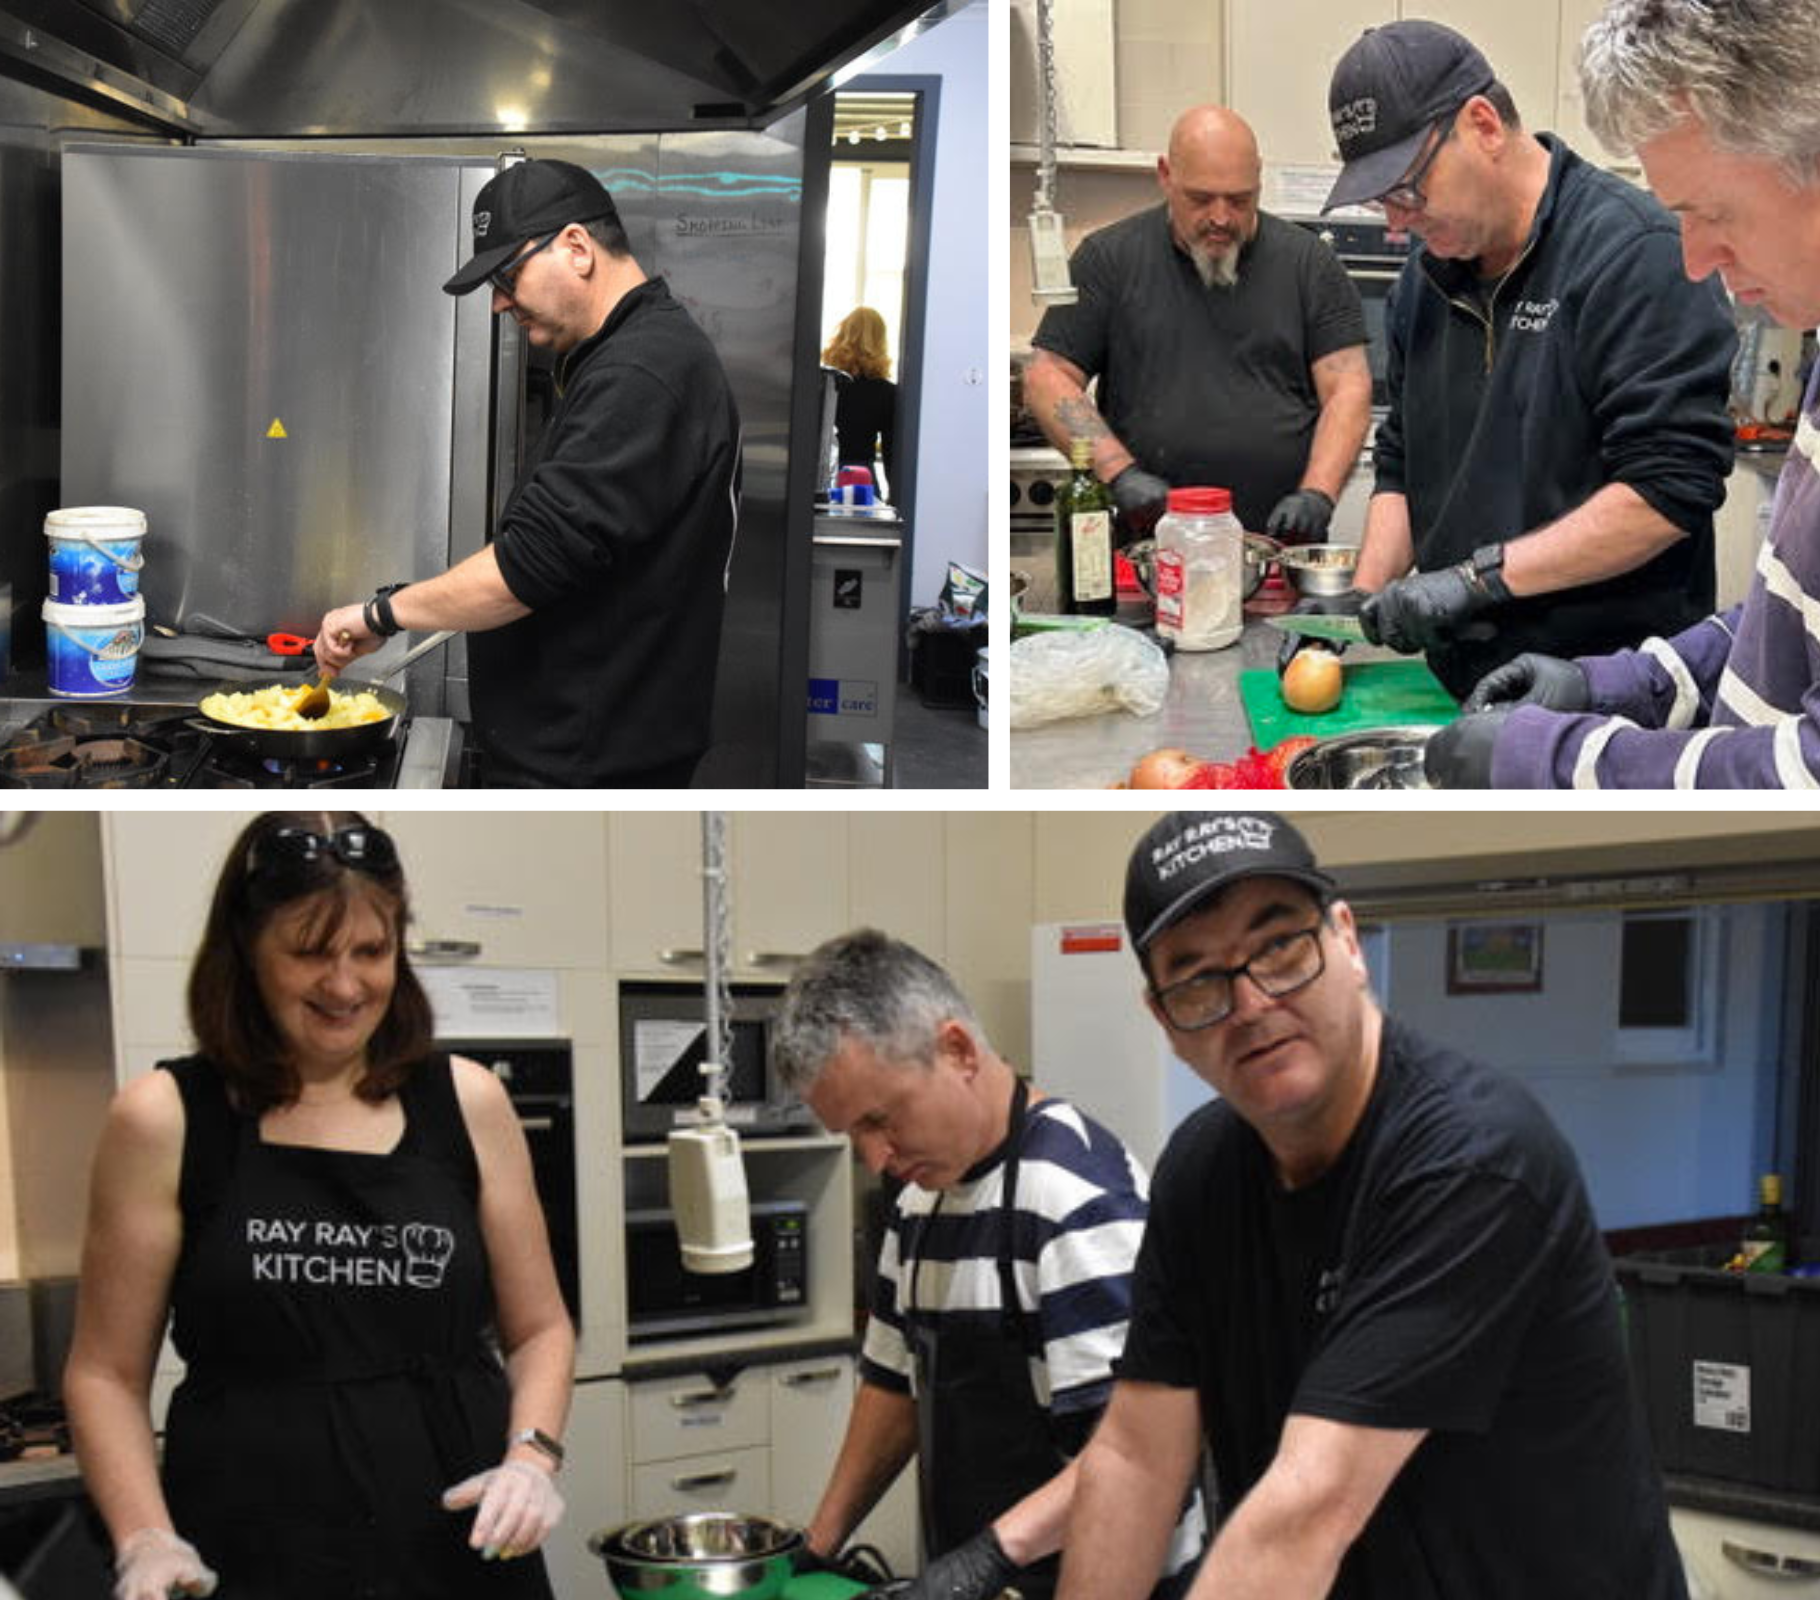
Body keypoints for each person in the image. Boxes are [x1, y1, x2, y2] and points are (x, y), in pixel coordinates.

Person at [1054, 811, 1687, 1600]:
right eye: (1198, 980)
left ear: (1347, 942)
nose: (1249, 1002)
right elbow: (1136, 1458)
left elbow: (1307, 1510)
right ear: (1165, 1022)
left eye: (1279, 947)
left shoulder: (1472, 1161)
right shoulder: (1201, 1172)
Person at [1424, 0, 1820, 787]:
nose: (1695, 261)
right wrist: (1626, 684)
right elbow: (1800, 621)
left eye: (1714, 213)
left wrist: (1555, 760)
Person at [65, 812, 575, 1600]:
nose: (345, 986)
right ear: (246, 948)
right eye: (309, 953)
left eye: (371, 951)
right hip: (251, 1551)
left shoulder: (468, 1102)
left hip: (458, 1550)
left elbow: (541, 1329)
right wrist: (144, 1537)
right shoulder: (164, 1117)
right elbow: (105, 1372)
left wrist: (532, 1459)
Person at [772, 931, 1203, 1600]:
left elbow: (1137, 1460)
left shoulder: (1076, 1198)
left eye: (881, 1119)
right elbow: (892, 1388)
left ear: (958, 1051)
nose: (876, 1158)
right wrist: (816, 1548)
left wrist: (986, 1560)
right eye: (853, 1134)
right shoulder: (918, 1203)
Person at [1321, 21, 1737, 699]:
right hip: (1458, 685)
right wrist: (1361, 599)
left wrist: (1477, 580)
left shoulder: (1635, 253)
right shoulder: (1422, 283)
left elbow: (1666, 494)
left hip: (1602, 694)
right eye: (1382, 201)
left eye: (1407, 190)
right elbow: (1401, 462)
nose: (1396, 223)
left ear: (1483, 126)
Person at [313, 158, 742, 788]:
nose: (498, 303)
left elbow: (526, 568)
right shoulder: (628, 356)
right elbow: (564, 557)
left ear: (577, 248)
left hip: (591, 766)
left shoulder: (641, 373)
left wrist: (381, 614)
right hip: (585, 749)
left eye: (508, 275)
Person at [1025, 105, 1372, 544]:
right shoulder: (1108, 260)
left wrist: (1318, 493)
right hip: (1151, 545)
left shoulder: (1310, 264)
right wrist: (1118, 472)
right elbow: (1047, 376)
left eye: (1239, 200)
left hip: (1276, 544)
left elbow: (1348, 386)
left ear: (1258, 179)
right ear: (1165, 176)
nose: (1221, 218)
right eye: (1201, 198)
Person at [822, 306, 899, 505]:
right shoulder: (887, 392)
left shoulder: (825, 384)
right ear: (881, 342)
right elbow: (892, 454)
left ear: (841, 335)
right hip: (862, 480)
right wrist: (895, 497)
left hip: (822, 476)